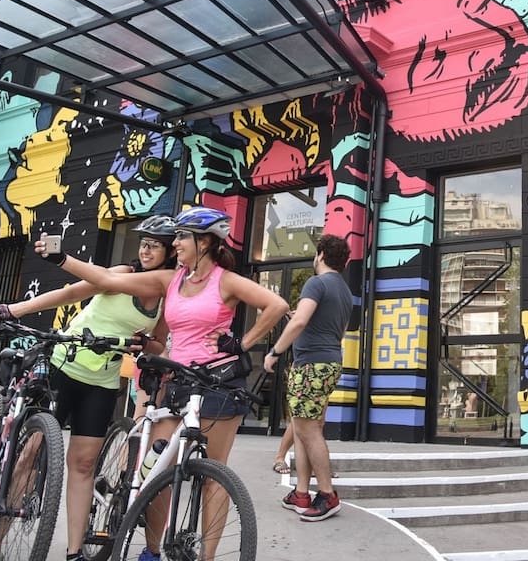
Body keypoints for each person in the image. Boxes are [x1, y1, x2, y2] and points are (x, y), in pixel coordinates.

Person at [38, 205, 288, 561]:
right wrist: (63, 258)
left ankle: (207, 557)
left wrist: (241, 344)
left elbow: (276, 304)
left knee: (214, 476)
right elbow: (108, 281)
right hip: (179, 381)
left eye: (182, 237)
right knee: (158, 472)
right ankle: (152, 552)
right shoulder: (171, 279)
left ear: (205, 242)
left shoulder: (226, 281)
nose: (176, 245)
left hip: (219, 383)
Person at [0, 215, 176, 561]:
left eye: (155, 245)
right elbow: (71, 292)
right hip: (64, 365)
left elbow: (158, 343)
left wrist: (143, 343)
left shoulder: (162, 297)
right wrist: (13, 309)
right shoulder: (122, 274)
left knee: (84, 464)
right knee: (31, 455)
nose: (145, 250)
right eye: (143, 242)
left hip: (102, 381)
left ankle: (74, 553)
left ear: (169, 253)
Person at [263, 233, 352, 522]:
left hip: (311, 365)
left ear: (321, 255)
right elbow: (332, 328)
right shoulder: (344, 291)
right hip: (328, 361)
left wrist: (275, 351)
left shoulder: (317, 282)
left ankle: (327, 494)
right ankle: (301, 493)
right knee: (303, 429)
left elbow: (300, 321)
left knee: (308, 430)